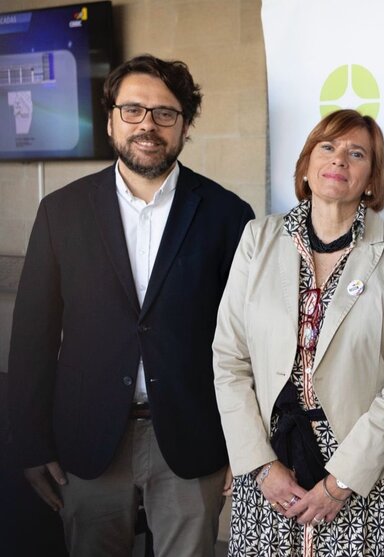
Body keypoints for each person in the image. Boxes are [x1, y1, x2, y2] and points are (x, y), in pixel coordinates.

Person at [6, 54, 254, 556]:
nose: (148, 125)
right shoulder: (62, 212)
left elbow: (248, 341)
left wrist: (244, 445)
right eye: (134, 110)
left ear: (185, 125)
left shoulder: (228, 215)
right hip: (88, 437)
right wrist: (30, 444)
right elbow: (32, 335)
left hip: (193, 437)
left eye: (165, 113)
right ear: (110, 119)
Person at [212, 109, 384, 556]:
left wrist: (343, 480)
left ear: (371, 179)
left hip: (371, 472)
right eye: (328, 147)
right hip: (272, 466)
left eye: (357, 154)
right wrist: (259, 464)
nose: (339, 160)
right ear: (306, 165)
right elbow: (229, 359)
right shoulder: (258, 238)